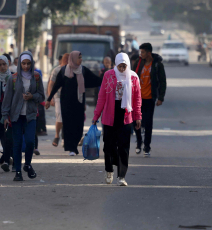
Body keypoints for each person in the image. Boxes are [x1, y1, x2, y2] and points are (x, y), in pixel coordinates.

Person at [93, 53, 142, 187]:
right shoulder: (108, 75)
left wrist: (138, 116)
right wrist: (96, 115)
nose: (121, 69)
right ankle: (109, 170)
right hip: (110, 114)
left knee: (123, 147)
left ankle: (121, 176)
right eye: (119, 66)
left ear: (127, 65)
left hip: (126, 115)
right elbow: (102, 96)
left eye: (124, 66)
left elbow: (137, 99)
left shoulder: (133, 78)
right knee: (108, 146)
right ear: (116, 64)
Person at [45, 51, 102, 156]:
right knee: (68, 125)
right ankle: (71, 147)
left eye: (81, 57)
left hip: (79, 102)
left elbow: (95, 80)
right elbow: (56, 85)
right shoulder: (63, 71)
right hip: (66, 102)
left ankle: (74, 145)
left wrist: (106, 77)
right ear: (73, 59)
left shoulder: (83, 70)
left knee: (78, 125)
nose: (81, 59)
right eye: (79, 58)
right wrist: (49, 99)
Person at [1, 52, 45, 181]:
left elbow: (42, 96)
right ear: (20, 64)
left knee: (31, 142)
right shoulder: (13, 78)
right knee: (18, 143)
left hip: (31, 114)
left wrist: (32, 96)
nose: (26, 66)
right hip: (16, 116)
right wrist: (5, 115)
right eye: (23, 63)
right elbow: (7, 98)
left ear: (32, 64)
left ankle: (27, 164)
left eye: (28, 63)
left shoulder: (36, 77)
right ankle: (18, 171)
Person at [132, 43, 166, 157]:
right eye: (140, 52)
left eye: (142, 52)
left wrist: (160, 97)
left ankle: (147, 146)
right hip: (137, 98)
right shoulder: (138, 63)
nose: (140, 54)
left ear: (148, 53)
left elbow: (162, 81)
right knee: (135, 121)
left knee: (148, 123)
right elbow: (131, 77)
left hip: (150, 98)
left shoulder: (157, 65)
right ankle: (139, 142)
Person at [0, 54, 14, 172]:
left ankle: (8, 156)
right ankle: (7, 156)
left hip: (11, 108)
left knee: (10, 132)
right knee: (2, 132)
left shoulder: (13, 77)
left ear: (8, 64)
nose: (2, 67)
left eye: (4, 64)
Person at [48, 53, 69, 148]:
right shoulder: (56, 70)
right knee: (60, 118)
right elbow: (51, 84)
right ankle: (57, 135)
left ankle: (65, 138)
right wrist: (50, 98)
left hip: (70, 98)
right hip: (58, 97)